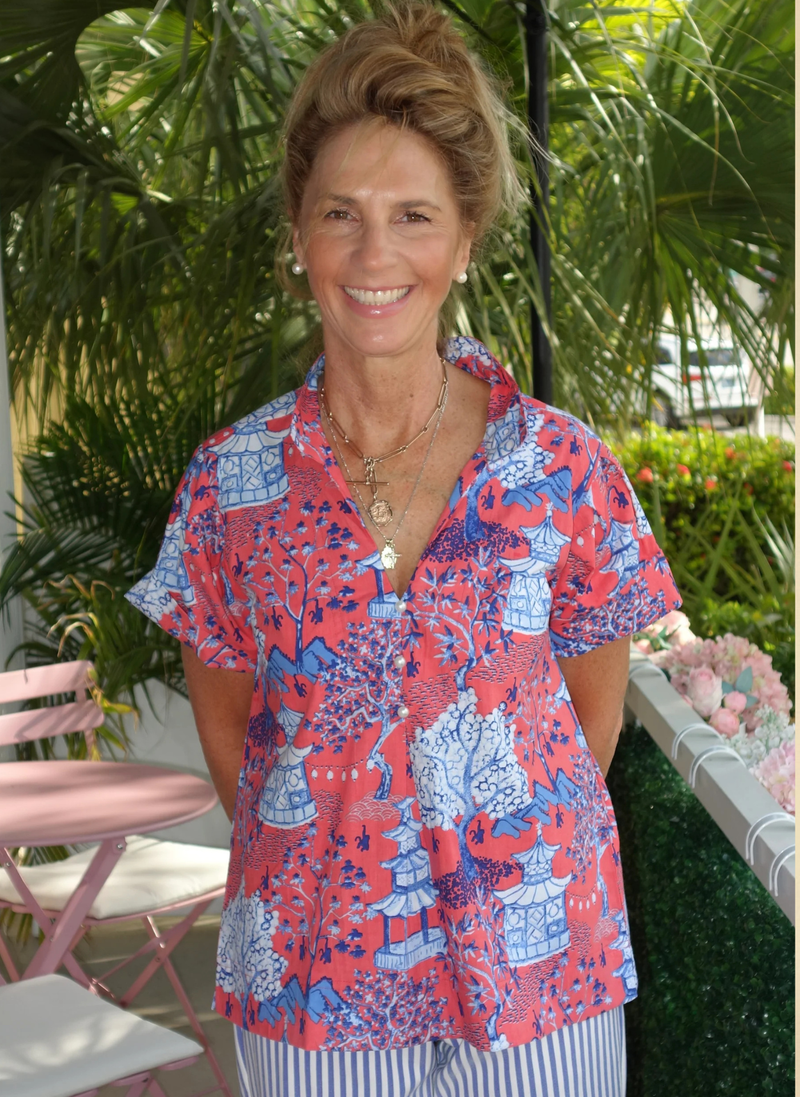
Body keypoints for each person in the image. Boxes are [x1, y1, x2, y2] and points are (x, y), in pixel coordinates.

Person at [126, 5, 681, 1095]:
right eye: (341, 213)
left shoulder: (560, 467)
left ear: (464, 240)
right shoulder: (229, 486)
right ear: (299, 235)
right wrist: (337, 857)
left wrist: (484, 858)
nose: (374, 254)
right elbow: (232, 734)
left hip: (536, 974)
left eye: (413, 216)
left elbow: (590, 720)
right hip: (313, 980)